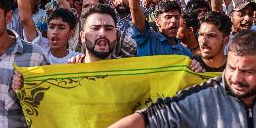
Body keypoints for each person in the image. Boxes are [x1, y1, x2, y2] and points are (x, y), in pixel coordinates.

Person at [109, 29, 256, 128]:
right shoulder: (203, 97)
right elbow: (149, 117)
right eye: (230, 68)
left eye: (247, 71)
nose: (236, 77)